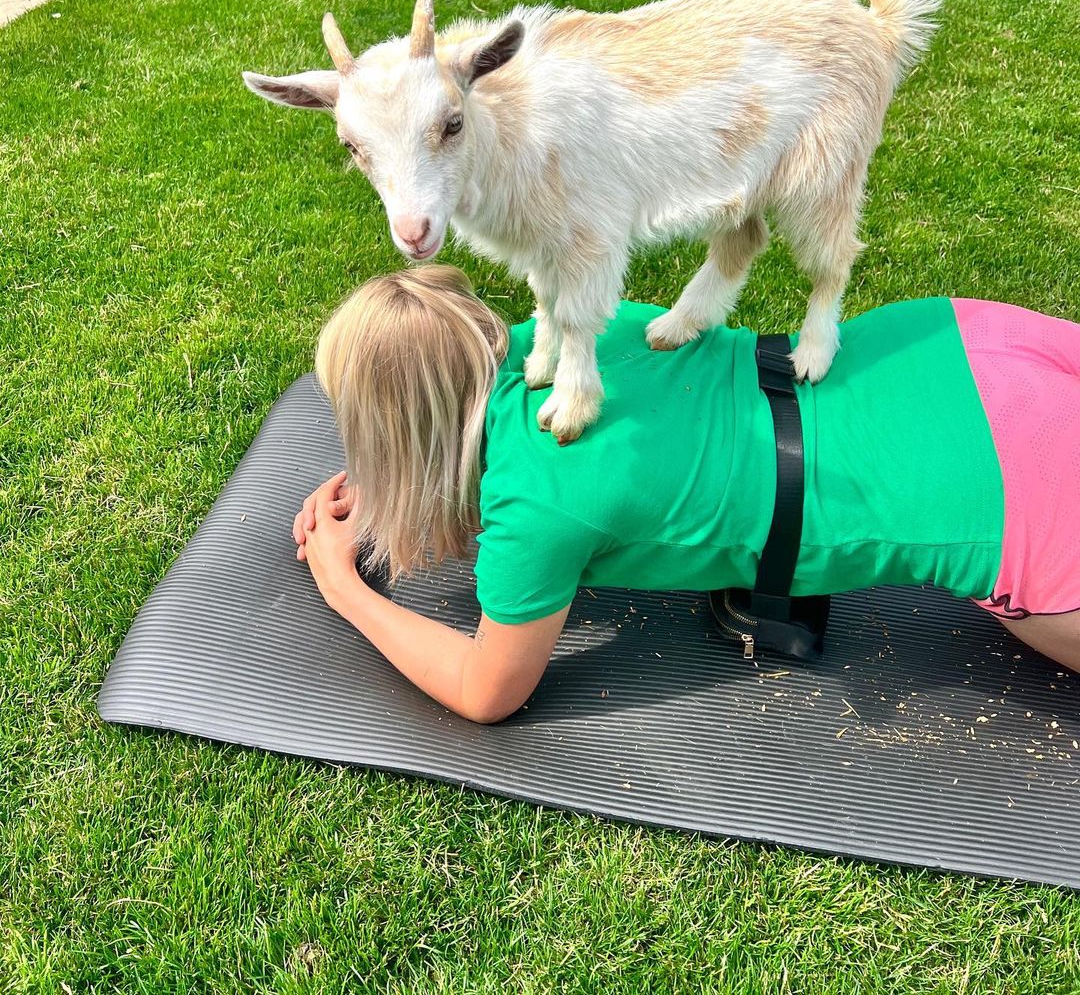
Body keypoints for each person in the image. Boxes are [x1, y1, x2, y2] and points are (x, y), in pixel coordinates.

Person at [293, 265, 1080, 723]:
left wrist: (343, 585)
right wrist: (398, 491)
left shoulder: (537, 507)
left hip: (1004, 490)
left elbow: (486, 690)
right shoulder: (578, 328)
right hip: (950, 347)